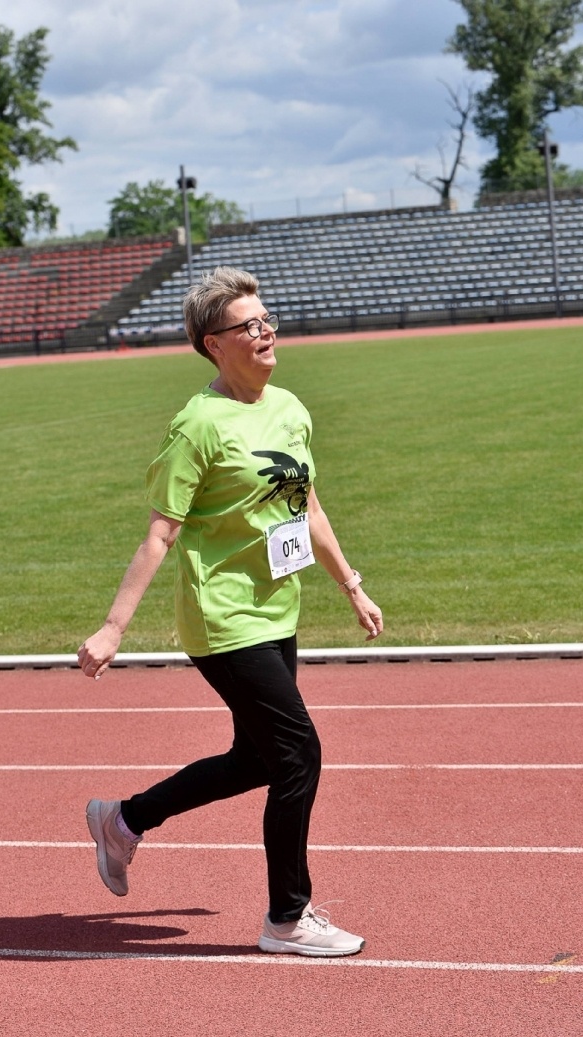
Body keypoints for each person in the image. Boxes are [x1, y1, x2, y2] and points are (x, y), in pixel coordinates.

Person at [77, 266, 383, 957]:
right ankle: (286, 919)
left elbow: (304, 506)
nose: (264, 330)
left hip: (277, 607)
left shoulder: (290, 408)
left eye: (265, 317)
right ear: (213, 344)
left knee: (260, 756)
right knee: (299, 752)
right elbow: (161, 532)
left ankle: (124, 821)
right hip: (221, 618)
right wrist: (112, 628)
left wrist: (351, 586)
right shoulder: (196, 426)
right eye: (247, 324)